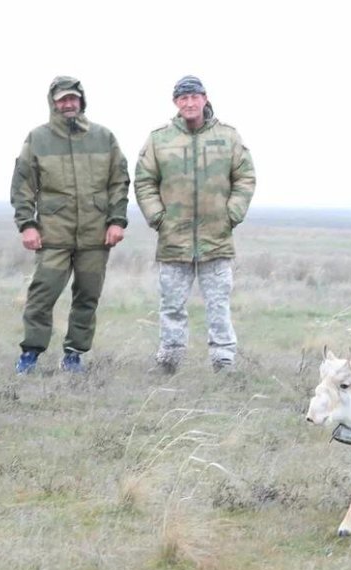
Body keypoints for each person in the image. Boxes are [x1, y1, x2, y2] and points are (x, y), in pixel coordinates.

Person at [135, 75, 255, 374]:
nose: (189, 103)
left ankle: (223, 361)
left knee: (218, 305)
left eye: (194, 97)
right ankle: (169, 360)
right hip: (173, 240)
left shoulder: (228, 136)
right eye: (183, 98)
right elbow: (144, 181)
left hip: (217, 238)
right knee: (172, 305)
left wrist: (232, 214)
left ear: (205, 99)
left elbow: (245, 177)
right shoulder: (159, 139)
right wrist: (157, 217)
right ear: (176, 103)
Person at [11, 76, 130, 374]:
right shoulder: (38, 138)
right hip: (54, 234)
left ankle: (74, 354)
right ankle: (30, 353)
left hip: (95, 234)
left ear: (82, 100)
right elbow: (23, 185)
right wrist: (27, 224)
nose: (68, 104)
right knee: (42, 294)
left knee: (87, 297)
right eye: (63, 99)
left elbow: (119, 182)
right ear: (53, 102)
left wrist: (116, 220)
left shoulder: (104, 137)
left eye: (73, 98)